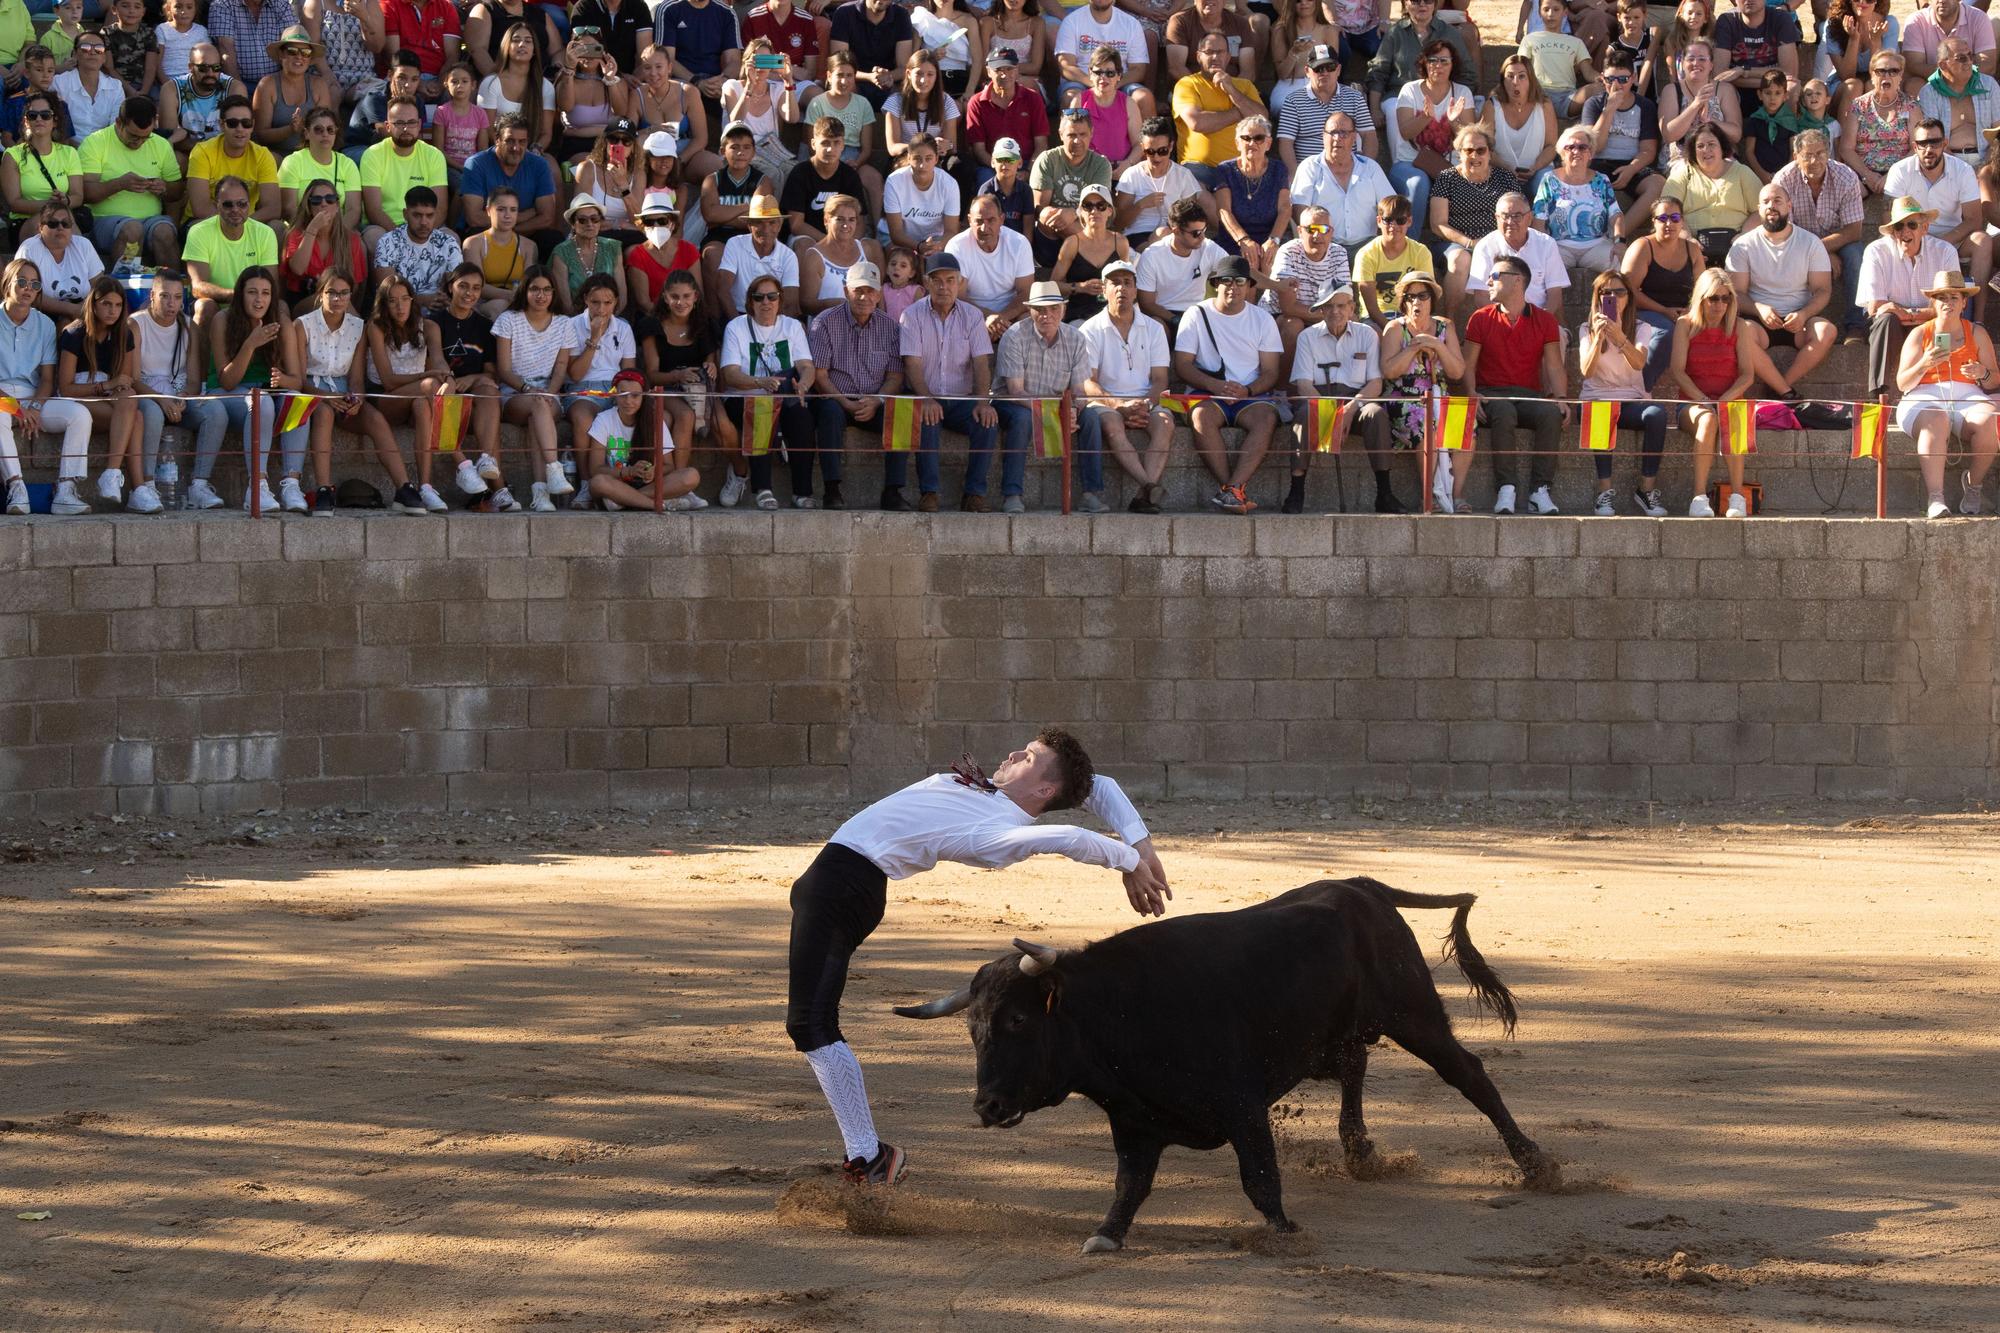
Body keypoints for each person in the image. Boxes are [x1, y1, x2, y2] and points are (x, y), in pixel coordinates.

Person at [784, 730, 1166, 1188]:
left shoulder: (994, 836)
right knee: (810, 1022)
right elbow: (1099, 786)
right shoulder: (989, 796)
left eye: (1027, 757)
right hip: (833, 885)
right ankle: (868, 1155)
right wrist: (1142, 845)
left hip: (844, 890)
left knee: (810, 1024)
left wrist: (1126, 862)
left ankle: (870, 1157)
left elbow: (1067, 836)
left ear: (1044, 789)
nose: (1011, 753)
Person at [1172, 254, 1285, 515]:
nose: (1233, 286)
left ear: (1249, 286)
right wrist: (1214, 385)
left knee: (1266, 419)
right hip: (1210, 390)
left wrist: (1248, 390)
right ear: (1215, 283)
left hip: (1249, 394)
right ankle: (1231, 490)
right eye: (1226, 280)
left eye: (1240, 281)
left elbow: (1270, 372)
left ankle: (1232, 488)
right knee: (1200, 416)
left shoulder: (1262, 319)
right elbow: (1183, 365)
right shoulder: (1196, 314)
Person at [1463, 253, 1565, 516]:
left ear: (1517, 281)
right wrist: (1472, 394)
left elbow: (1554, 365)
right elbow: (1468, 365)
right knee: (1504, 411)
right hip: (1492, 395)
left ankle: (1539, 490)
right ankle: (1506, 487)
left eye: (1496, 276)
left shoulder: (1545, 320)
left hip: (1530, 395)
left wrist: (1562, 397)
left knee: (1551, 413)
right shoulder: (1480, 318)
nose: (1488, 281)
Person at [1895, 270, 2000, 519]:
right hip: (1923, 394)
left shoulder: (1976, 333)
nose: (1948, 303)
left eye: (1954, 297)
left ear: (1964, 303)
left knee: (1989, 421)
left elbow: (1995, 379)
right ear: (1934, 302)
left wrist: (1982, 372)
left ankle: (1973, 487)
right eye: (1942, 298)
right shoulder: (1920, 333)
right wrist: (1924, 363)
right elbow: (1902, 383)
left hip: (1968, 393)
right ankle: (1935, 498)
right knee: (1936, 417)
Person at [899, 252, 998, 512]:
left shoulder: (973, 316)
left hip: (961, 399)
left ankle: (974, 494)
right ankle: (929, 492)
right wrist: (927, 398)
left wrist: (982, 401)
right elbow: (912, 365)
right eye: (938, 280)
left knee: (987, 421)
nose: (944, 286)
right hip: (927, 395)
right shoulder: (911, 315)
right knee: (926, 416)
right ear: (926, 283)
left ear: (959, 283)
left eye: (950, 280)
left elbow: (981, 362)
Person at [128, 270, 234, 513]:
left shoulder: (189, 327)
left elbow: (195, 379)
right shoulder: (135, 324)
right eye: (164, 296)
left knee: (216, 411)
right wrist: (162, 401)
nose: (171, 304)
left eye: (177, 297)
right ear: (152, 296)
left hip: (178, 395)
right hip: (147, 393)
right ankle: (146, 486)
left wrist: (183, 399)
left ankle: (199, 485)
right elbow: (132, 378)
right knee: (151, 415)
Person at [991, 280, 1100, 513]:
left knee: (1091, 417)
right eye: (1040, 309)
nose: (1046, 315)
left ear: (1064, 310)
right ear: (1029, 310)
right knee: (1020, 419)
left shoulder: (1076, 338)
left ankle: (1091, 494)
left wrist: (1072, 409)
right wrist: (1056, 410)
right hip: (1012, 402)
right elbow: (1015, 391)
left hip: (1053, 403)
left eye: (1053, 308)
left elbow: (1080, 391)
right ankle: (1012, 493)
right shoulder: (1014, 335)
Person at [202, 266, 304, 512]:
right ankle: (257, 487)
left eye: (266, 293)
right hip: (227, 393)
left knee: (298, 400)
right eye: (252, 292)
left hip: (264, 393)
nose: (259, 300)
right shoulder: (222, 320)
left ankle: (291, 484)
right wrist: (250, 344)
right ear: (240, 294)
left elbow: (297, 380)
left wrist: (282, 380)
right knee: (262, 402)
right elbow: (227, 380)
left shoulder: (282, 324)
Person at [1290, 281, 1398, 513]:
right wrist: (1331, 413)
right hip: (1319, 399)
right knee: (1305, 414)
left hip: (1356, 401)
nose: (1335, 312)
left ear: (1352, 308)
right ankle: (1296, 490)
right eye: (1328, 307)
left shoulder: (1367, 334)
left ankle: (1385, 492)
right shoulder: (1307, 337)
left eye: (1341, 306)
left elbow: (1375, 383)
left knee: (1376, 414)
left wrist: (1349, 410)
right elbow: (1303, 385)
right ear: (1321, 310)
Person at [0, 258, 93, 518]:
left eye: (35, 284)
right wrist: (18, 410)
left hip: (33, 398)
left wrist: (36, 407)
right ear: (8, 283)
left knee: (79, 415)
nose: (28, 288)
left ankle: (66, 489)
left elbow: (48, 379)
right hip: (2, 400)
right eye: (21, 282)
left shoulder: (44, 324)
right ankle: (16, 486)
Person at [1078, 259, 1173, 513]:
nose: (1121, 288)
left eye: (1127, 283)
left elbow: (1161, 379)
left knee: (1165, 423)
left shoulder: (1154, 328)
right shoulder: (1090, 329)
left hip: (1145, 400)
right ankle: (1149, 486)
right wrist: (1120, 405)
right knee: (1110, 424)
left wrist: (1144, 405)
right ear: (1104, 290)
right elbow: (1089, 381)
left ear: (1135, 289)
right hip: (1106, 401)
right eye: (1114, 283)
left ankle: (1145, 494)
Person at [807, 259, 903, 511]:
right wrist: (846, 403)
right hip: (836, 398)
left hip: (873, 400)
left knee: (901, 414)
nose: (864, 296)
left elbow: (895, 377)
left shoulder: (891, 327)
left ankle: (893, 491)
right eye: (858, 290)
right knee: (828, 412)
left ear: (879, 294)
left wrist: (876, 400)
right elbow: (820, 376)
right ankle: (832, 489)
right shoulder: (824, 322)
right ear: (845, 291)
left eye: (870, 290)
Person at [721, 271, 821, 509]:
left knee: (802, 417)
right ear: (750, 302)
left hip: (783, 397)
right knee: (761, 409)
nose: (766, 302)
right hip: (744, 397)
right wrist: (760, 383)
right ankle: (763, 489)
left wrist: (803, 386)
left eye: (771, 297)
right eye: (759, 297)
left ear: (780, 300)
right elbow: (730, 374)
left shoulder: (792, 326)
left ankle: (802, 492)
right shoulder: (736, 327)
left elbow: (807, 366)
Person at [1576, 268, 1670, 516]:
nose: (1614, 298)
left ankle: (1646, 490)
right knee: (1600, 412)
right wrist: (1599, 338)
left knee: (1656, 414)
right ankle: (1604, 492)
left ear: (1629, 297)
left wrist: (1619, 337)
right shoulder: (1586, 328)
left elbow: (1639, 363)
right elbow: (1586, 371)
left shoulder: (1641, 327)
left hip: (1631, 399)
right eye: (1606, 293)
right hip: (1596, 399)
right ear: (1598, 298)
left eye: (1620, 292)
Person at [428, 260, 520, 511]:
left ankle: (487, 461)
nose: (470, 293)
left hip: (474, 386)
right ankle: (498, 488)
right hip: (445, 385)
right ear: (450, 288)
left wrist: (472, 379)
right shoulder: (434, 321)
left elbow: (491, 372)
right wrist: (450, 379)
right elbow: (436, 357)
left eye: (477, 288)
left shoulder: (483, 325)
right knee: (446, 392)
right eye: (463, 286)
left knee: (490, 390)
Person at [1667, 266, 1758, 516]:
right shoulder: (1685, 324)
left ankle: (1737, 497)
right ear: (1701, 298)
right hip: (1693, 402)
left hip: (1728, 400)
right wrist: (1705, 401)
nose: (1720, 305)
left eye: (1726, 298)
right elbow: (1677, 371)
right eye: (1714, 298)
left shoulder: (1739, 326)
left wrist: (1724, 401)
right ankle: (1698, 497)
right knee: (1708, 421)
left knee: (1736, 417)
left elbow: (1747, 374)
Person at [1883, 119, 1991, 322]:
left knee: (1982, 241)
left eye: (1934, 142)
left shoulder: (1963, 170)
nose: (1928, 148)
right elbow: (1888, 217)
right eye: (1922, 143)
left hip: (1954, 239)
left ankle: (1977, 322)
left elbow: (1974, 219)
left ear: (1945, 143)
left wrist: (1939, 244)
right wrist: (1918, 241)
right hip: (1911, 236)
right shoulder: (1899, 170)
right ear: (1914, 146)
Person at [1856, 196, 1961, 403]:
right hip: (1891, 326)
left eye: (1912, 225)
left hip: (1930, 324)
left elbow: (1952, 303)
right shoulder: (1876, 251)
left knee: (1947, 318)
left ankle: (1947, 389)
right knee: (1885, 320)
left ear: (1925, 228)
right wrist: (1923, 311)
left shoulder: (1944, 251)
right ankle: (1879, 395)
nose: (1905, 232)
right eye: (1898, 226)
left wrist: (1906, 312)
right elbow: (1875, 307)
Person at [362, 272, 452, 512]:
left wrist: (445, 376)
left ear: (413, 300)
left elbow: (440, 362)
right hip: (386, 397)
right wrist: (426, 377)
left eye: (404, 298)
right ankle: (461, 460)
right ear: (384, 304)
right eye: (392, 300)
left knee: (425, 403)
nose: (400, 306)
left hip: (416, 399)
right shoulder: (376, 327)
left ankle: (425, 487)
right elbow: (389, 381)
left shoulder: (429, 326)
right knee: (429, 387)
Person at [491, 265, 577, 510]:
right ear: (524, 291)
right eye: (535, 289)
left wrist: (549, 391)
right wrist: (529, 389)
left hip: (548, 392)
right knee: (537, 404)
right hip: (516, 392)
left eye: (547, 290)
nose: (542, 295)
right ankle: (553, 470)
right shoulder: (509, 319)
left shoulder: (564, 323)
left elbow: (561, 368)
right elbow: (504, 370)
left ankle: (540, 493)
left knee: (537, 415)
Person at [1769, 130, 1862, 347]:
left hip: (1838, 241)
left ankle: (1856, 325)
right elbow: (1783, 230)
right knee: (1784, 254)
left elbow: (1854, 230)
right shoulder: (1783, 180)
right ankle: (1796, 321)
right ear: (1796, 156)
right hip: (1796, 242)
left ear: (1829, 153)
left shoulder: (1846, 177)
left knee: (1857, 256)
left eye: (1820, 154)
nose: (1815, 161)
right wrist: (1819, 252)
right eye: (1808, 155)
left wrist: (1822, 249)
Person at [62, 278, 148, 513]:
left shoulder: (124, 334)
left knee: (134, 408)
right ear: (94, 304)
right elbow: (65, 388)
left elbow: (125, 382)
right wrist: (106, 385)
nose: (113, 311)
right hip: (77, 400)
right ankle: (133, 485)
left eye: (118, 305)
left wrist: (113, 386)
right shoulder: (74, 333)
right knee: (134, 418)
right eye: (107, 304)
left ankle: (120, 479)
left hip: (109, 401)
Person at [79, 96, 185, 268]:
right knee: (133, 229)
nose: (139, 142)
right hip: (104, 221)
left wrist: (164, 188)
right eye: (133, 136)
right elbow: (85, 193)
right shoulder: (95, 142)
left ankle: (173, 287)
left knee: (165, 231)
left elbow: (177, 191)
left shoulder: (161, 145)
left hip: (151, 219)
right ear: (118, 123)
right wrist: (119, 184)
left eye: (146, 137)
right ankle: (123, 287)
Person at [584, 369, 703, 511]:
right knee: (598, 482)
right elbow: (595, 469)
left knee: (691, 475)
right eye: (623, 395)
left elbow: (668, 466)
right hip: (617, 482)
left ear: (643, 396)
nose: (628, 401)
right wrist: (629, 471)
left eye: (635, 396)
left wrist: (653, 471)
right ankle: (659, 504)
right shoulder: (604, 419)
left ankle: (624, 501)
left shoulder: (654, 420)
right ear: (614, 394)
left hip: (647, 485)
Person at [1620, 190, 1704, 387]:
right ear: (1653, 222)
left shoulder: (1692, 250)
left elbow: (1703, 289)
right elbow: (1627, 291)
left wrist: (1691, 311)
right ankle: (1641, 386)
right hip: (1643, 310)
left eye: (1675, 218)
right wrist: (1664, 311)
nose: (1669, 224)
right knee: (1667, 333)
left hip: (1683, 313)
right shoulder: (1642, 247)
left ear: (1682, 221)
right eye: (1663, 218)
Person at [1287, 111, 1394, 264]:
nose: (1337, 138)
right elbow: (1299, 209)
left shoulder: (1370, 167)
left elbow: (1390, 206)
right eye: (1333, 133)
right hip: (1324, 247)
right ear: (1323, 136)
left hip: (1368, 248)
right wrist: (1319, 239)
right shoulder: (1309, 167)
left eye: (1343, 133)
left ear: (1353, 137)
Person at [1390, 38, 1473, 235]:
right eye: (1433, 60)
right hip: (1408, 162)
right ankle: (1413, 244)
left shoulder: (1462, 92)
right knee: (1419, 183)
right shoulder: (1410, 90)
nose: (1438, 66)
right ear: (1424, 63)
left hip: (1447, 165)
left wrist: (1454, 122)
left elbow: (1470, 141)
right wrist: (1426, 117)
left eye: (1444, 61)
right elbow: (1405, 132)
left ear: (1453, 65)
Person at [1430, 123, 1510, 317]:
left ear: (1490, 153)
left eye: (1481, 150)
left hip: (1495, 242)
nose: (1475, 156)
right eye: (1468, 151)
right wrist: (1469, 243)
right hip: (1455, 243)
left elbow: (1516, 213)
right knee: (1460, 259)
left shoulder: (1505, 179)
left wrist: (1492, 244)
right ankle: (1449, 323)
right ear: (1459, 153)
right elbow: (1437, 223)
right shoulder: (1447, 178)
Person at [1577, 46, 1664, 218]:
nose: (1617, 85)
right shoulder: (1594, 104)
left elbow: (1648, 150)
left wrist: (1631, 168)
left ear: (1634, 78)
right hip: (1598, 163)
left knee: (1658, 184)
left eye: (1623, 79)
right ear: (1602, 79)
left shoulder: (1645, 106)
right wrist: (1609, 110)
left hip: (1632, 163)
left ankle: (1622, 233)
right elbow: (1593, 147)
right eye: (1610, 79)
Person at [184, 176, 281, 329]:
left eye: (241, 204)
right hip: (218, 302)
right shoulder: (199, 232)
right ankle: (199, 354)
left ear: (249, 205)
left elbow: (271, 284)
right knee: (204, 306)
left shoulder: (265, 233)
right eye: (228, 204)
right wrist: (236, 296)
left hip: (255, 301)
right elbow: (197, 287)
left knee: (282, 309)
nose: (235, 209)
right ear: (217, 206)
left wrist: (249, 299)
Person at [1172, 31, 1264, 189]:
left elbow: (1262, 122)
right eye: (1208, 52)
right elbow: (1197, 123)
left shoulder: (1244, 86)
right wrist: (1240, 112)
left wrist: (1232, 90)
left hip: (1239, 168)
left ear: (1228, 57)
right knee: (1197, 192)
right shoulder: (1187, 84)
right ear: (1198, 56)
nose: (1215, 57)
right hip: (1198, 168)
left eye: (1220, 52)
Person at [359, 95, 450, 250]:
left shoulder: (434, 155)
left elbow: (440, 208)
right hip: (385, 226)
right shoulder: (372, 155)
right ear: (387, 126)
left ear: (420, 124)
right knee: (375, 238)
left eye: (411, 122)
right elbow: (373, 210)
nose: (406, 128)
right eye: (399, 123)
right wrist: (404, 238)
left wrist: (421, 235)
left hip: (425, 226)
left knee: (451, 239)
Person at [1665, 121, 1760, 264]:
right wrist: (1687, 238)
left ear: (1722, 148)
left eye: (1711, 144)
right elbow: (1667, 209)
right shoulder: (1683, 173)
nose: (1706, 150)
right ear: (1693, 150)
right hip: (1691, 247)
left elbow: (1760, 210)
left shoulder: (1742, 172)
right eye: (1700, 146)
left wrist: (1744, 235)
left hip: (1737, 246)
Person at [1275, 41, 1377, 173]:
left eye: (1330, 67)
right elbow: (1285, 143)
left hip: (1349, 171)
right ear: (1307, 71)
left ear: (1338, 70)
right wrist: (1296, 175)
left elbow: (1369, 135)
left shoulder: (1355, 97)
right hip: (1310, 173)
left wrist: (1365, 169)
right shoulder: (1293, 101)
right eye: (1318, 68)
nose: (1325, 72)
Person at [1466, 191, 1569, 320]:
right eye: (1505, 216)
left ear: (1530, 218)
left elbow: (1554, 294)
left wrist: (1537, 323)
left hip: (1540, 320)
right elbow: (1481, 296)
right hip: (1499, 322)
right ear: (1496, 218)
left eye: (1517, 216)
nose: (1510, 221)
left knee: (1561, 337)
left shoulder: (1547, 244)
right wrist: (1508, 323)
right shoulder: (1485, 246)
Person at [460, 112, 558, 245]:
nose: (516, 148)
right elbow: (474, 218)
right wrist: (523, 216)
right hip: (486, 233)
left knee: (551, 238)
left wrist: (512, 231)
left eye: (522, 142)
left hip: (525, 232)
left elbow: (547, 217)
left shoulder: (539, 165)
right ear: (497, 140)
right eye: (510, 141)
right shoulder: (476, 164)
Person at [1536, 124, 1624, 273]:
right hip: (1559, 245)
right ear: (1562, 153)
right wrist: (1543, 248)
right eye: (1570, 147)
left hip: (1597, 245)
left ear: (1590, 153)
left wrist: (1620, 242)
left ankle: (1614, 297)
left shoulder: (1601, 180)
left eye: (1582, 147)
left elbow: (1616, 215)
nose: (1576, 151)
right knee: (1540, 270)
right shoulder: (1549, 179)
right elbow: (1539, 218)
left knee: (1620, 264)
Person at [946, 192, 1036, 336]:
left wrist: (1000, 318)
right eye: (979, 221)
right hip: (970, 314)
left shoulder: (1019, 243)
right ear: (969, 220)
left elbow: (1026, 293)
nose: (984, 227)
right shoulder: (956, 246)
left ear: (1001, 219)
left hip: (1010, 316)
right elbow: (958, 296)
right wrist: (988, 317)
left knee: (1030, 320)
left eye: (991, 220)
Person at [1029, 107, 1112, 264]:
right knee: (1046, 214)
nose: (1077, 140)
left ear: (1091, 133)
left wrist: (1074, 213)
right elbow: (1039, 208)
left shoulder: (1101, 164)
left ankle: (1094, 256)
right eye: (1071, 135)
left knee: (1091, 220)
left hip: (1086, 226)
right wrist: (1063, 215)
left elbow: (1099, 207)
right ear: (1061, 135)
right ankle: (1099, 256)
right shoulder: (1047, 160)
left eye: (1082, 135)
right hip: (1050, 234)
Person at [1214, 113, 1291, 277]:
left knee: (1272, 261)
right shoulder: (1225, 170)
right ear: (1237, 143)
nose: (1252, 143)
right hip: (1234, 238)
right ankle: (1248, 303)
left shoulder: (1279, 169)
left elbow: (1285, 209)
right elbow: (1223, 210)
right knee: (1247, 263)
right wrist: (1244, 240)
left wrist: (1274, 240)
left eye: (1259, 138)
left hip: (1269, 236)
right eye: (1246, 138)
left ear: (1268, 144)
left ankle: (1271, 302)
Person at [2, 92, 83, 246]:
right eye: (32, 115)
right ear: (26, 121)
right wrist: (51, 206)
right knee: (54, 223)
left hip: (63, 219)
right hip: (25, 222)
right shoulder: (12, 155)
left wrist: (66, 200)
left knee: (62, 222)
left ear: (55, 121)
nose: (39, 119)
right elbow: (14, 203)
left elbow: (78, 196)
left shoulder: (69, 153)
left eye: (45, 115)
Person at [1115, 114, 1208, 242]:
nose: (1156, 157)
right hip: (1138, 234)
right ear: (1142, 148)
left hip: (1174, 235)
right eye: (1150, 152)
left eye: (1162, 151)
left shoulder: (1183, 175)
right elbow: (1118, 223)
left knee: (1164, 233)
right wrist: (1140, 205)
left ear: (1171, 146)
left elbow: (1192, 219)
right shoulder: (1132, 175)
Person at [1136, 195, 1226, 323]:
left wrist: (1266, 284)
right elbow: (1147, 304)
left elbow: (1237, 269)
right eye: (1196, 233)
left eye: (1204, 230)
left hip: (1196, 315)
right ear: (1176, 231)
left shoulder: (1207, 247)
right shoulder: (1152, 255)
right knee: (1158, 325)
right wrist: (1175, 320)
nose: (1202, 237)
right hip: (1164, 315)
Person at [373, 185, 463, 310]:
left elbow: (456, 286)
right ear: (405, 214)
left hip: (440, 310)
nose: (424, 222)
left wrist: (442, 299)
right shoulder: (387, 242)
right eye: (417, 215)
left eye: (429, 215)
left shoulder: (448, 243)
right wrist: (422, 300)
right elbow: (387, 291)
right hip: (399, 311)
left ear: (436, 214)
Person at [280, 176, 367, 307]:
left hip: (341, 305)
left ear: (337, 206)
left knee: (339, 301)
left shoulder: (350, 239)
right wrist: (312, 229)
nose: (323, 203)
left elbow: (356, 286)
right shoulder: (295, 234)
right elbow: (298, 269)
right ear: (308, 206)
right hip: (303, 303)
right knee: (327, 300)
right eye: (316, 200)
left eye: (330, 199)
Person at [963, 45, 1049, 177]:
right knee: (983, 179)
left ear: (1017, 70)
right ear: (989, 71)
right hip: (992, 166)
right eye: (998, 70)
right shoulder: (976, 102)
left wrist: (1028, 171)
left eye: (1009, 69)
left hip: (1026, 164)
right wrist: (1002, 170)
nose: (1004, 74)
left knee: (1041, 181)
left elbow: (1041, 144)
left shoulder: (1033, 98)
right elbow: (979, 150)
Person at [252, 23, 337, 153]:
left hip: (311, 157)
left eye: (306, 52)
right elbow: (260, 135)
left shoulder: (319, 85)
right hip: (276, 158)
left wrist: (304, 128)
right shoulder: (267, 85)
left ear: (310, 58)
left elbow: (326, 131)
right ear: (281, 55)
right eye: (292, 51)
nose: (299, 57)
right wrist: (290, 129)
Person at [798, 191, 885, 318]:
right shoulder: (814, 256)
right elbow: (805, 304)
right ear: (826, 220)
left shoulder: (869, 249)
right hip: (827, 328)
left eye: (851, 220)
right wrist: (840, 305)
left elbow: (878, 292)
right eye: (840, 219)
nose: (846, 225)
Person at [717, 194, 802, 322]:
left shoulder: (788, 256)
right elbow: (723, 290)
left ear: (779, 225)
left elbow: (790, 303)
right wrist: (739, 326)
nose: (766, 229)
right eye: (759, 223)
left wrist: (772, 329)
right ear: (749, 225)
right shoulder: (735, 244)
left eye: (772, 222)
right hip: (738, 315)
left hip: (773, 318)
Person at [1656, 40, 1740, 170]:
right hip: (1681, 157)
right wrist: (1695, 104)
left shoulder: (1725, 90)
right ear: (1683, 64)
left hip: (1718, 155)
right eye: (1691, 59)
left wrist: (1709, 121)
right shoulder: (1671, 90)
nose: (1696, 63)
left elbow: (1736, 134)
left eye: (1702, 59)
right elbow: (1668, 135)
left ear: (1711, 65)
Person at [1836, 50, 1910, 196]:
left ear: (1901, 76)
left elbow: (1916, 148)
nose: (1886, 76)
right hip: (1863, 173)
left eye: (1893, 71)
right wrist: (1867, 175)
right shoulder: (1859, 105)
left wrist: (1892, 176)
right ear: (1872, 75)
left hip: (1901, 173)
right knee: (1848, 190)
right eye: (1881, 71)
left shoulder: (1911, 106)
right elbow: (1846, 148)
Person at [1917, 38, 1999, 165]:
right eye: (1961, 58)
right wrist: (1959, 171)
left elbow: (1998, 132)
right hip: (1946, 162)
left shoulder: (1989, 84)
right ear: (1943, 65)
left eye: (1970, 56)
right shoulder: (1929, 92)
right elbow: (1933, 139)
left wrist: (1986, 166)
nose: (1969, 62)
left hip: (1989, 158)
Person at [18, 202, 101, 325]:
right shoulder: (29, 249)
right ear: (40, 227)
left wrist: (84, 308)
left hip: (84, 309)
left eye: (65, 223)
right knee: (66, 323)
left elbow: (99, 285)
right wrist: (71, 310)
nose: (60, 227)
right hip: (41, 313)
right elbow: (26, 292)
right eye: (53, 223)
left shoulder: (84, 245)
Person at [1053, 0, 1151, 106]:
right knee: (1071, 98)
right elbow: (1066, 67)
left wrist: (1112, 84)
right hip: (1081, 82)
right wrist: (1097, 83)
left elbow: (1138, 70)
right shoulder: (1071, 21)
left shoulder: (1131, 24)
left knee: (1144, 97)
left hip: (1120, 83)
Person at [1350, 193, 1429, 323]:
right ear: (1379, 221)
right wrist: (1392, 331)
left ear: (1409, 221)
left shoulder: (1421, 252)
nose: (1394, 225)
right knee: (1375, 336)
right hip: (1375, 318)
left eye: (1400, 220)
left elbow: (1424, 296)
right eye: (1388, 220)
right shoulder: (1366, 254)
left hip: (1410, 315)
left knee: (1446, 327)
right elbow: (1371, 308)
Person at [882, 131, 962, 258]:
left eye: (928, 158)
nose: (922, 165)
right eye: (917, 158)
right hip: (902, 243)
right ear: (909, 158)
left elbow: (951, 231)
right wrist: (919, 247)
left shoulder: (949, 184)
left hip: (936, 243)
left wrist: (936, 247)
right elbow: (896, 233)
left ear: (936, 159)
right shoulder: (894, 181)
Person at [1711, 0, 1799, 114]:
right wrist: (1771, 80)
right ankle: (1733, 129)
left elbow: (1789, 73)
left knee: (1792, 87)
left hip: (1771, 90)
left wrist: (1743, 71)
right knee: (1721, 87)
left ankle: (1787, 130)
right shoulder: (1727, 20)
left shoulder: (1780, 18)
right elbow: (1719, 75)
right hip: (1737, 90)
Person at [277, 105, 362, 224]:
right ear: (306, 133)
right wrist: (313, 232)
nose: (325, 134)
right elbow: (289, 209)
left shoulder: (347, 164)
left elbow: (353, 210)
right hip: (301, 230)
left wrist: (336, 235)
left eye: (330, 129)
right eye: (318, 129)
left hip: (338, 231)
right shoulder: (292, 162)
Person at [1483, 51, 1557, 189]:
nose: (1515, 82)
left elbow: (1551, 146)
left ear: (1530, 80)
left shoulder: (1544, 105)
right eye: (1510, 76)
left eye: (1522, 76)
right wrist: (1506, 168)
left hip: (1538, 171)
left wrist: (1535, 168)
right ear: (1503, 81)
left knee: (1547, 183)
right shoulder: (1492, 106)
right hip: (1500, 172)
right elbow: (1484, 147)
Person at [1516, 0, 1599, 118]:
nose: (1550, 14)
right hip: (1538, 96)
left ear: (1565, 12)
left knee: (1600, 89)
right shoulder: (1530, 39)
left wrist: (1600, 78)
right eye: (1546, 9)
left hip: (1568, 98)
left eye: (1556, 9)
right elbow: (1520, 68)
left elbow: (1588, 72)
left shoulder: (1576, 42)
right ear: (1539, 13)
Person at [1068, 46, 1144, 173]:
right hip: (1087, 170)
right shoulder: (1079, 102)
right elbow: (1071, 141)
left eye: (1110, 73)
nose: (1103, 78)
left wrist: (1127, 164)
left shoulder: (1129, 104)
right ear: (1090, 73)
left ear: (1119, 76)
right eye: (1098, 72)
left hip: (1121, 170)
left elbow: (1139, 144)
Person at [463, 185, 535, 318]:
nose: (508, 215)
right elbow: (478, 286)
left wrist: (516, 297)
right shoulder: (473, 243)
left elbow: (529, 284)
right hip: (483, 302)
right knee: (500, 306)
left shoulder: (528, 246)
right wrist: (510, 296)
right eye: (501, 209)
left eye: (513, 210)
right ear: (488, 211)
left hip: (518, 301)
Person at [828, 0, 914, 112]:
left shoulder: (901, 14)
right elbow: (839, 65)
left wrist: (888, 77)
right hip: (853, 80)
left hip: (888, 82)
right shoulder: (845, 13)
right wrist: (870, 77)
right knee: (842, 85)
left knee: (909, 95)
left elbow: (904, 67)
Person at [550, 194, 628, 314]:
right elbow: (566, 304)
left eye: (594, 219)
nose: (589, 224)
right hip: (574, 320)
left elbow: (622, 297)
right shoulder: (561, 252)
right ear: (573, 224)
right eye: (582, 220)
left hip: (610, 318)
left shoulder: (613, 247)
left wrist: (607, 321)